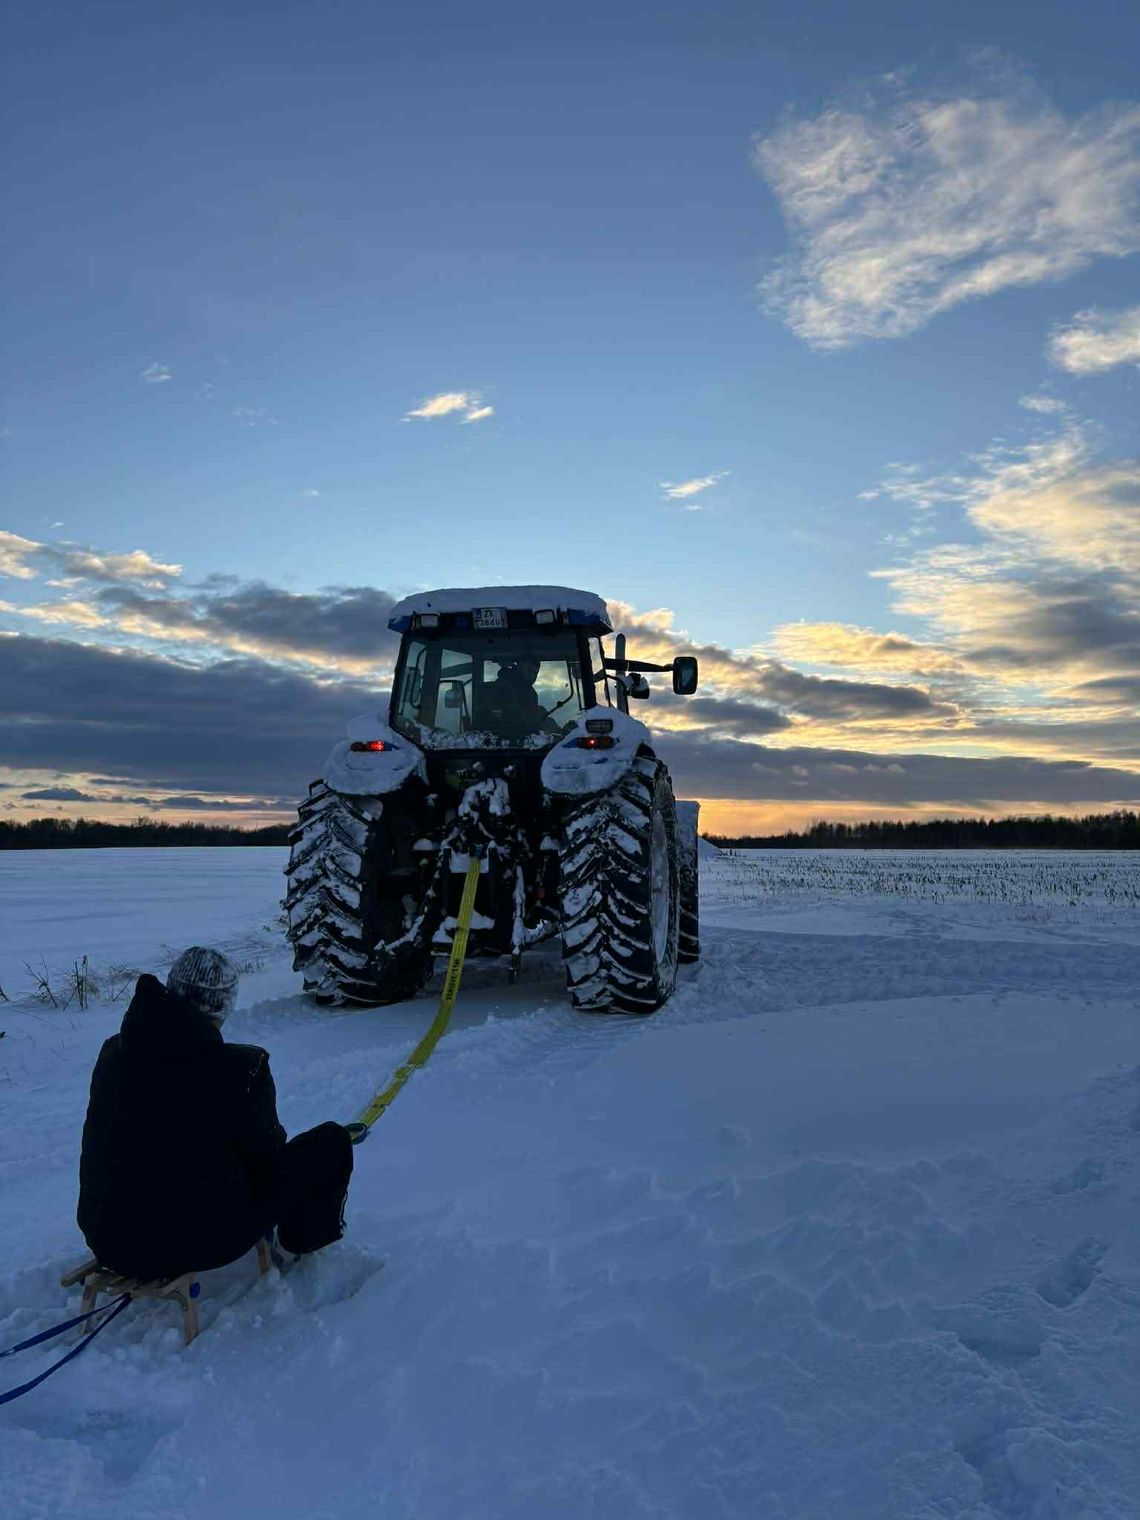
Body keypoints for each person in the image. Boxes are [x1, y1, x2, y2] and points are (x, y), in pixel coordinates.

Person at [78, 946, 353, 1281]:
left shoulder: (112, 1053)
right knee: (332, 1142)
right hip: (202, 1244)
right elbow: (268, 1157)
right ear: (222, 1005)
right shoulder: (239, 1070)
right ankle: (299, 1243)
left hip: (108, 1241)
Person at [481, 656, 558, 740]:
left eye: (536, 671)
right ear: (519, 666)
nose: (534, 675)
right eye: (530, 669)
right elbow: (515, 719)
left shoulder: (511, 685)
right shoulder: (517, 689)